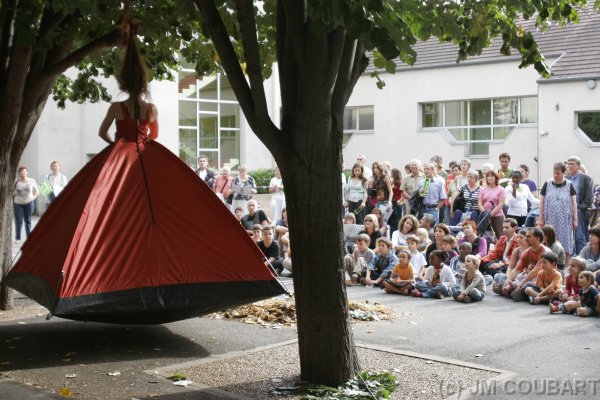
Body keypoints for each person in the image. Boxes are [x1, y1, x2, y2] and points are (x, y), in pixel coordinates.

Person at [539, 162, 577, 258]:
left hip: (565, 219)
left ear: (563, 173)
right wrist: (541, 218)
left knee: (566, 244)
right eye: (554, 173)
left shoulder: (569, 185)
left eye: (558, 173)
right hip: (550, 218)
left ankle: (566, 267)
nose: (555, 175)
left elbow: (573, 203)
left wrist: (575, 219)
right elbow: (542, 202)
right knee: (549, 241)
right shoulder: (547, 184)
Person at [505, 228, 551, 301]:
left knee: (526, 286)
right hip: (527, 278)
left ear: (538, 238)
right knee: (501, 278)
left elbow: (534, 273)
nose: (526, 239)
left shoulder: (545, 253)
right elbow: (516, 270)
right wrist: (507, 281)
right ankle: (515, 291)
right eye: (526, 236)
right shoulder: (527, 252)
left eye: (528, 237)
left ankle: (518, 292)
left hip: (543, 284)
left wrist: (520, 284)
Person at [565, 156, 595, 254]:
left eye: (572, 164)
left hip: (580, 210)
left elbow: (588, 198)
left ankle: (581, 259)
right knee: (567, 236)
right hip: (567, 211)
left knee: (579, 236)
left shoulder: (586, 178)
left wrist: (577, 208)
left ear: (578, 165)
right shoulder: (565, 179)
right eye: (568, 164)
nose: (570, 166)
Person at [13, 166, 39, 244]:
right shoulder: (16, 181)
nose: (23, 173)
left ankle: (29, 238)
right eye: (21, 171)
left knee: (28, 221)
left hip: (29, 203)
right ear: (19, 173)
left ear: (27, 172)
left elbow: (37, 192)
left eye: (24, 171)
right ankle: (18, 238)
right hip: (18, 203)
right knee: (18, 221)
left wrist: (32, 199)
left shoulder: (31, 181)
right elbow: (12, 193)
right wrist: (15, 193)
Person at [478, 171, 505, 238]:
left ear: (496, 178)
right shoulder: (483, 190)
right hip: (484, 215)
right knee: (482, 235)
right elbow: (479, 202)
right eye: (488, 176)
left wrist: (490, 214)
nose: (490, 178)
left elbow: (501, 203)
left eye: (492, 176)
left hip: (497, 216)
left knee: (500, 235)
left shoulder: (501, 189)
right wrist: (484, 213)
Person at [388, 168, 404, 235]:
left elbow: (403, 193)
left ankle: (397, 233)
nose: (390, 174)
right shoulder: (391, 181)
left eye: (391, 173)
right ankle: (391, 234)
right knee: (390, 219)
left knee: (397, 219)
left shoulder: (400, 182)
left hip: (397, 202)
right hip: (392, 202)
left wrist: (399, 200)